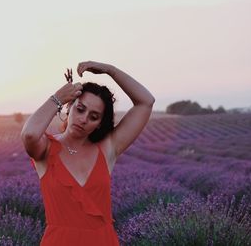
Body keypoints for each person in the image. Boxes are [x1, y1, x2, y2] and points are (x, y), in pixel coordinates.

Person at [21, 61, 155, 246]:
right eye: (80, 109)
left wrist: (110, 70)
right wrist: (57, 98)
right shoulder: (46, 148)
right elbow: (29, 134)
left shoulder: (107, 147)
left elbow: (146, 102)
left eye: (93, 117)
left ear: (99, 123)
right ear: (69, 107)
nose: (83, 119)